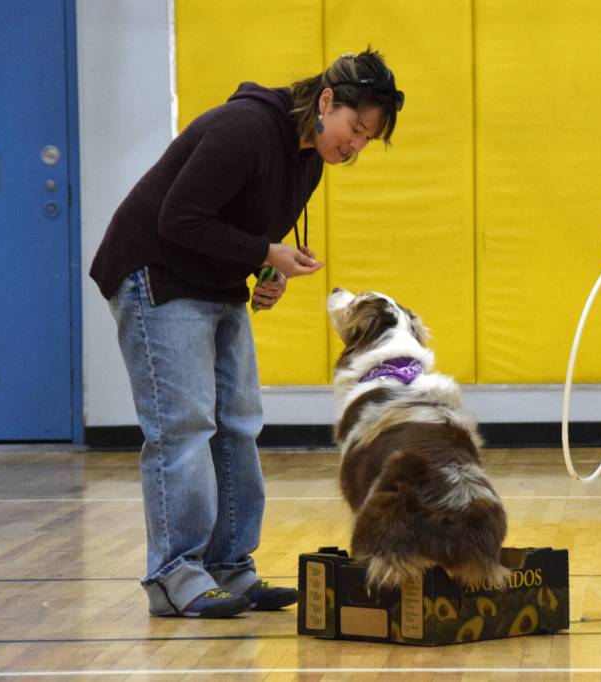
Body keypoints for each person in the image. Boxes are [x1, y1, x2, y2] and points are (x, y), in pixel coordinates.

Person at [90, 49, 404, 617]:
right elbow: (179, 218)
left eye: (366, 140)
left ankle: (229, 568)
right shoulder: (245, 128)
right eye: (354, 129)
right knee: (184, 426)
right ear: (327, 102)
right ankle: (173, 575)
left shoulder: (309, 159)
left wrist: (266, 275)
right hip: (153, 272)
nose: (355, 146)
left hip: (210, 280)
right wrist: (264, 253)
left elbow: (245, 231)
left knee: (237, 423)